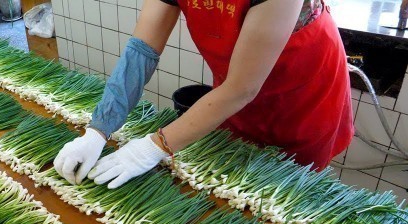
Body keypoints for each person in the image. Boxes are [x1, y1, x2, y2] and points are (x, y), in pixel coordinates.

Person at [53, 0, 353, 189]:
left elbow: (242, 88)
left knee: (287, 190)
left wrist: (153, 147)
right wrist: (99, 129)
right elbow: (141, 52)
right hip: (234, 88)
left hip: (302, 93)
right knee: (236, 175)